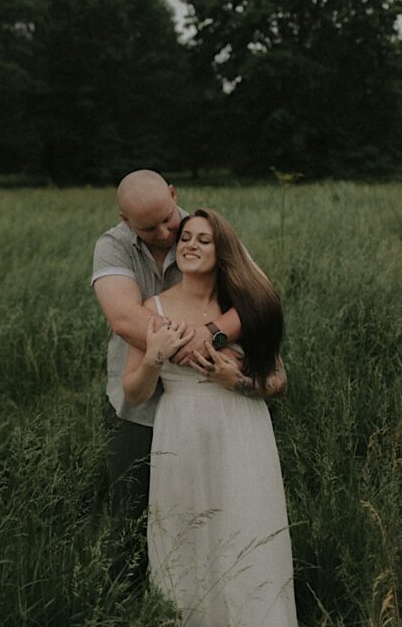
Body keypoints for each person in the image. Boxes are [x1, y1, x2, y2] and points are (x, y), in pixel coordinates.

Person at [91, 170, 282, 584]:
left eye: (167, 219)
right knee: (136, 512)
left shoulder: (201, 231)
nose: (166, 233)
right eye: (149, 227)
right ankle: (131, 605)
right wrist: (194, 349)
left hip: (217, 405)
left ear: (174, 194)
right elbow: (126, 320)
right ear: (125, 220)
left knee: (224, 506)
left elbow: (260, 295)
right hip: (141, 399)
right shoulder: (113, 247)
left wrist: (212, 333)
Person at [123, 209, 295, 625]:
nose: (190, 245)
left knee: (245, 522)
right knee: (186, 530)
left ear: (222, 251)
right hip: (180, 429)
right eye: (185, 238)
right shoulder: (154, 307)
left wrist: (233, 379)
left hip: (241, 426)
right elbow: (133, 392)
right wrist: (154, 356)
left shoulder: (243, 307)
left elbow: (278, 380)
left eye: (204, 239)